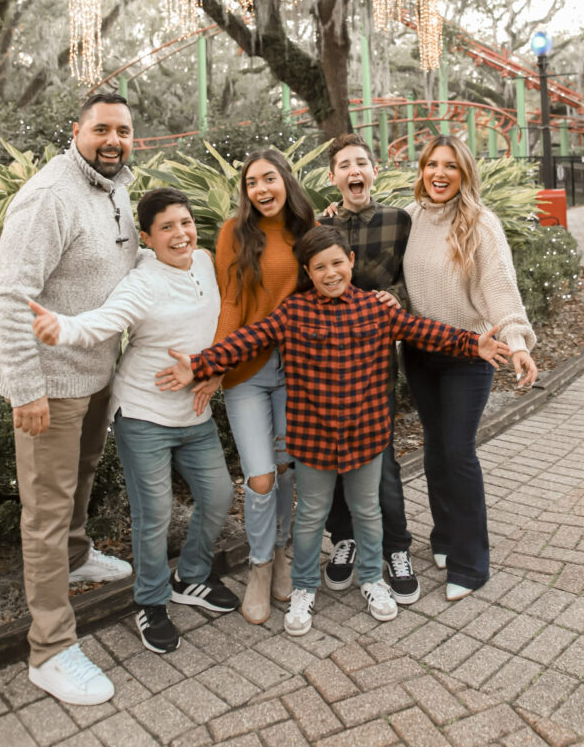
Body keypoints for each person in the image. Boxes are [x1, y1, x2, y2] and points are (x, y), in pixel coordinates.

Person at [155, 224, 511, 638]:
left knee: (367, 512)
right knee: (309, 517)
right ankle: (305, 586)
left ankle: (372, 579)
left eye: (337, 263)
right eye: (319, 267)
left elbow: (423, 331)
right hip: (312, 439)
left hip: (366, 435)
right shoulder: (293, 313)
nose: (330, 273)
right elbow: (248, 341)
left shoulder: (377, 309)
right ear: (308, 271)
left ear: (351, 262)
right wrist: (200, 364)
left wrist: (472, 344)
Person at [29, 188, 239, 655]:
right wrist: (61, 328)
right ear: (146, 237)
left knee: (219, 494)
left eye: (185, 222)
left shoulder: (204, 261)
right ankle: (150, 601)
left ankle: (191, 576)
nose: (180, 234)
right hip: (143, 414)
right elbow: (105, 319)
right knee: (154, 516)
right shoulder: (142, 280)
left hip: (194, 413)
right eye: (166, 227)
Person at [0, 93, 137, 706]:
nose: (112, 139)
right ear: (76, 130)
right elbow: (7, 295)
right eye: (100, 128)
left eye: (123, 130)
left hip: (95, 370)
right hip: (49, 383)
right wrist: (27, 389)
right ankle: (49, 649)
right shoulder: (51, 196)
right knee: (45, 513)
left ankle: (77, 557)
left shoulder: (114, 185)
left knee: (83, 474)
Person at [402, 135, 538, 602]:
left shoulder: (481, 223)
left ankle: (471, 562)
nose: (439, 174)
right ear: (421, 171)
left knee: (458, 453)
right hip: (420, 353)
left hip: (471, 354)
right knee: (436, 449)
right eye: (432, 165)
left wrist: (516, 342)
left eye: (451, 167)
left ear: (465, 174)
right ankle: (443, 537)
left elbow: (500, 288)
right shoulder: (411, 218)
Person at [196, 149, 315, 624]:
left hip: (299, 371)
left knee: (286, 469)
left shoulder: (305, 231)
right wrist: (216, 363)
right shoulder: (234, 232)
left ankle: (281, 554)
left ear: (286, 180)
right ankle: (259, 566)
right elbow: (230, 301)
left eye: (269, 178)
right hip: (247, 370)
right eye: (251, 183)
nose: (261, 190)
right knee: (260, 476)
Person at [320, 133, 419, 604]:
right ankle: (346, 540)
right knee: (333, 455)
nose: (353, 171)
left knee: (380, 457)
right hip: (327, 362)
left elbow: (410, 279)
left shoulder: (399, 222)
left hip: (377, 357)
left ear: (374, 170)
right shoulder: (322, 227)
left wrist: (393, 299)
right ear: (333, 177)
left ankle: (397, 548)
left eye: (361, 162)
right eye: (344, 165)